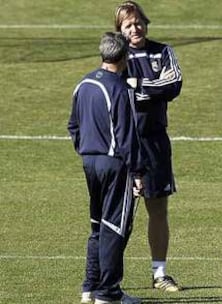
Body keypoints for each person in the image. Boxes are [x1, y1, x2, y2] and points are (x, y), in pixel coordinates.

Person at [68, 32, 145, 304]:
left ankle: (89, 286)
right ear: (124, 57)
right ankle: (109, 292)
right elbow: (127, 137)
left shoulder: (83, 83)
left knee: (98, 225)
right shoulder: (120, 89)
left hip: (90, 162)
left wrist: (86, 150)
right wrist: (138, 173)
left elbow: (73, 126)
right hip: (115, 165)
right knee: (115, 227)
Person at [114, 1, 183, 292]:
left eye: (138, 21)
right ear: (119, 29)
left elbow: (174, 84)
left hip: (155, 143)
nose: (135, 28)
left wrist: (138, 86)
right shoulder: (117, 55)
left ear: (146, 22)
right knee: (119, 215)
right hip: (124, 144)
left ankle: (160, 274)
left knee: (158, 209)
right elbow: (113, 88)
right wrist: (150, 87)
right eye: (128, 24)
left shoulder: (162, 51)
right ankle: (110, 279)